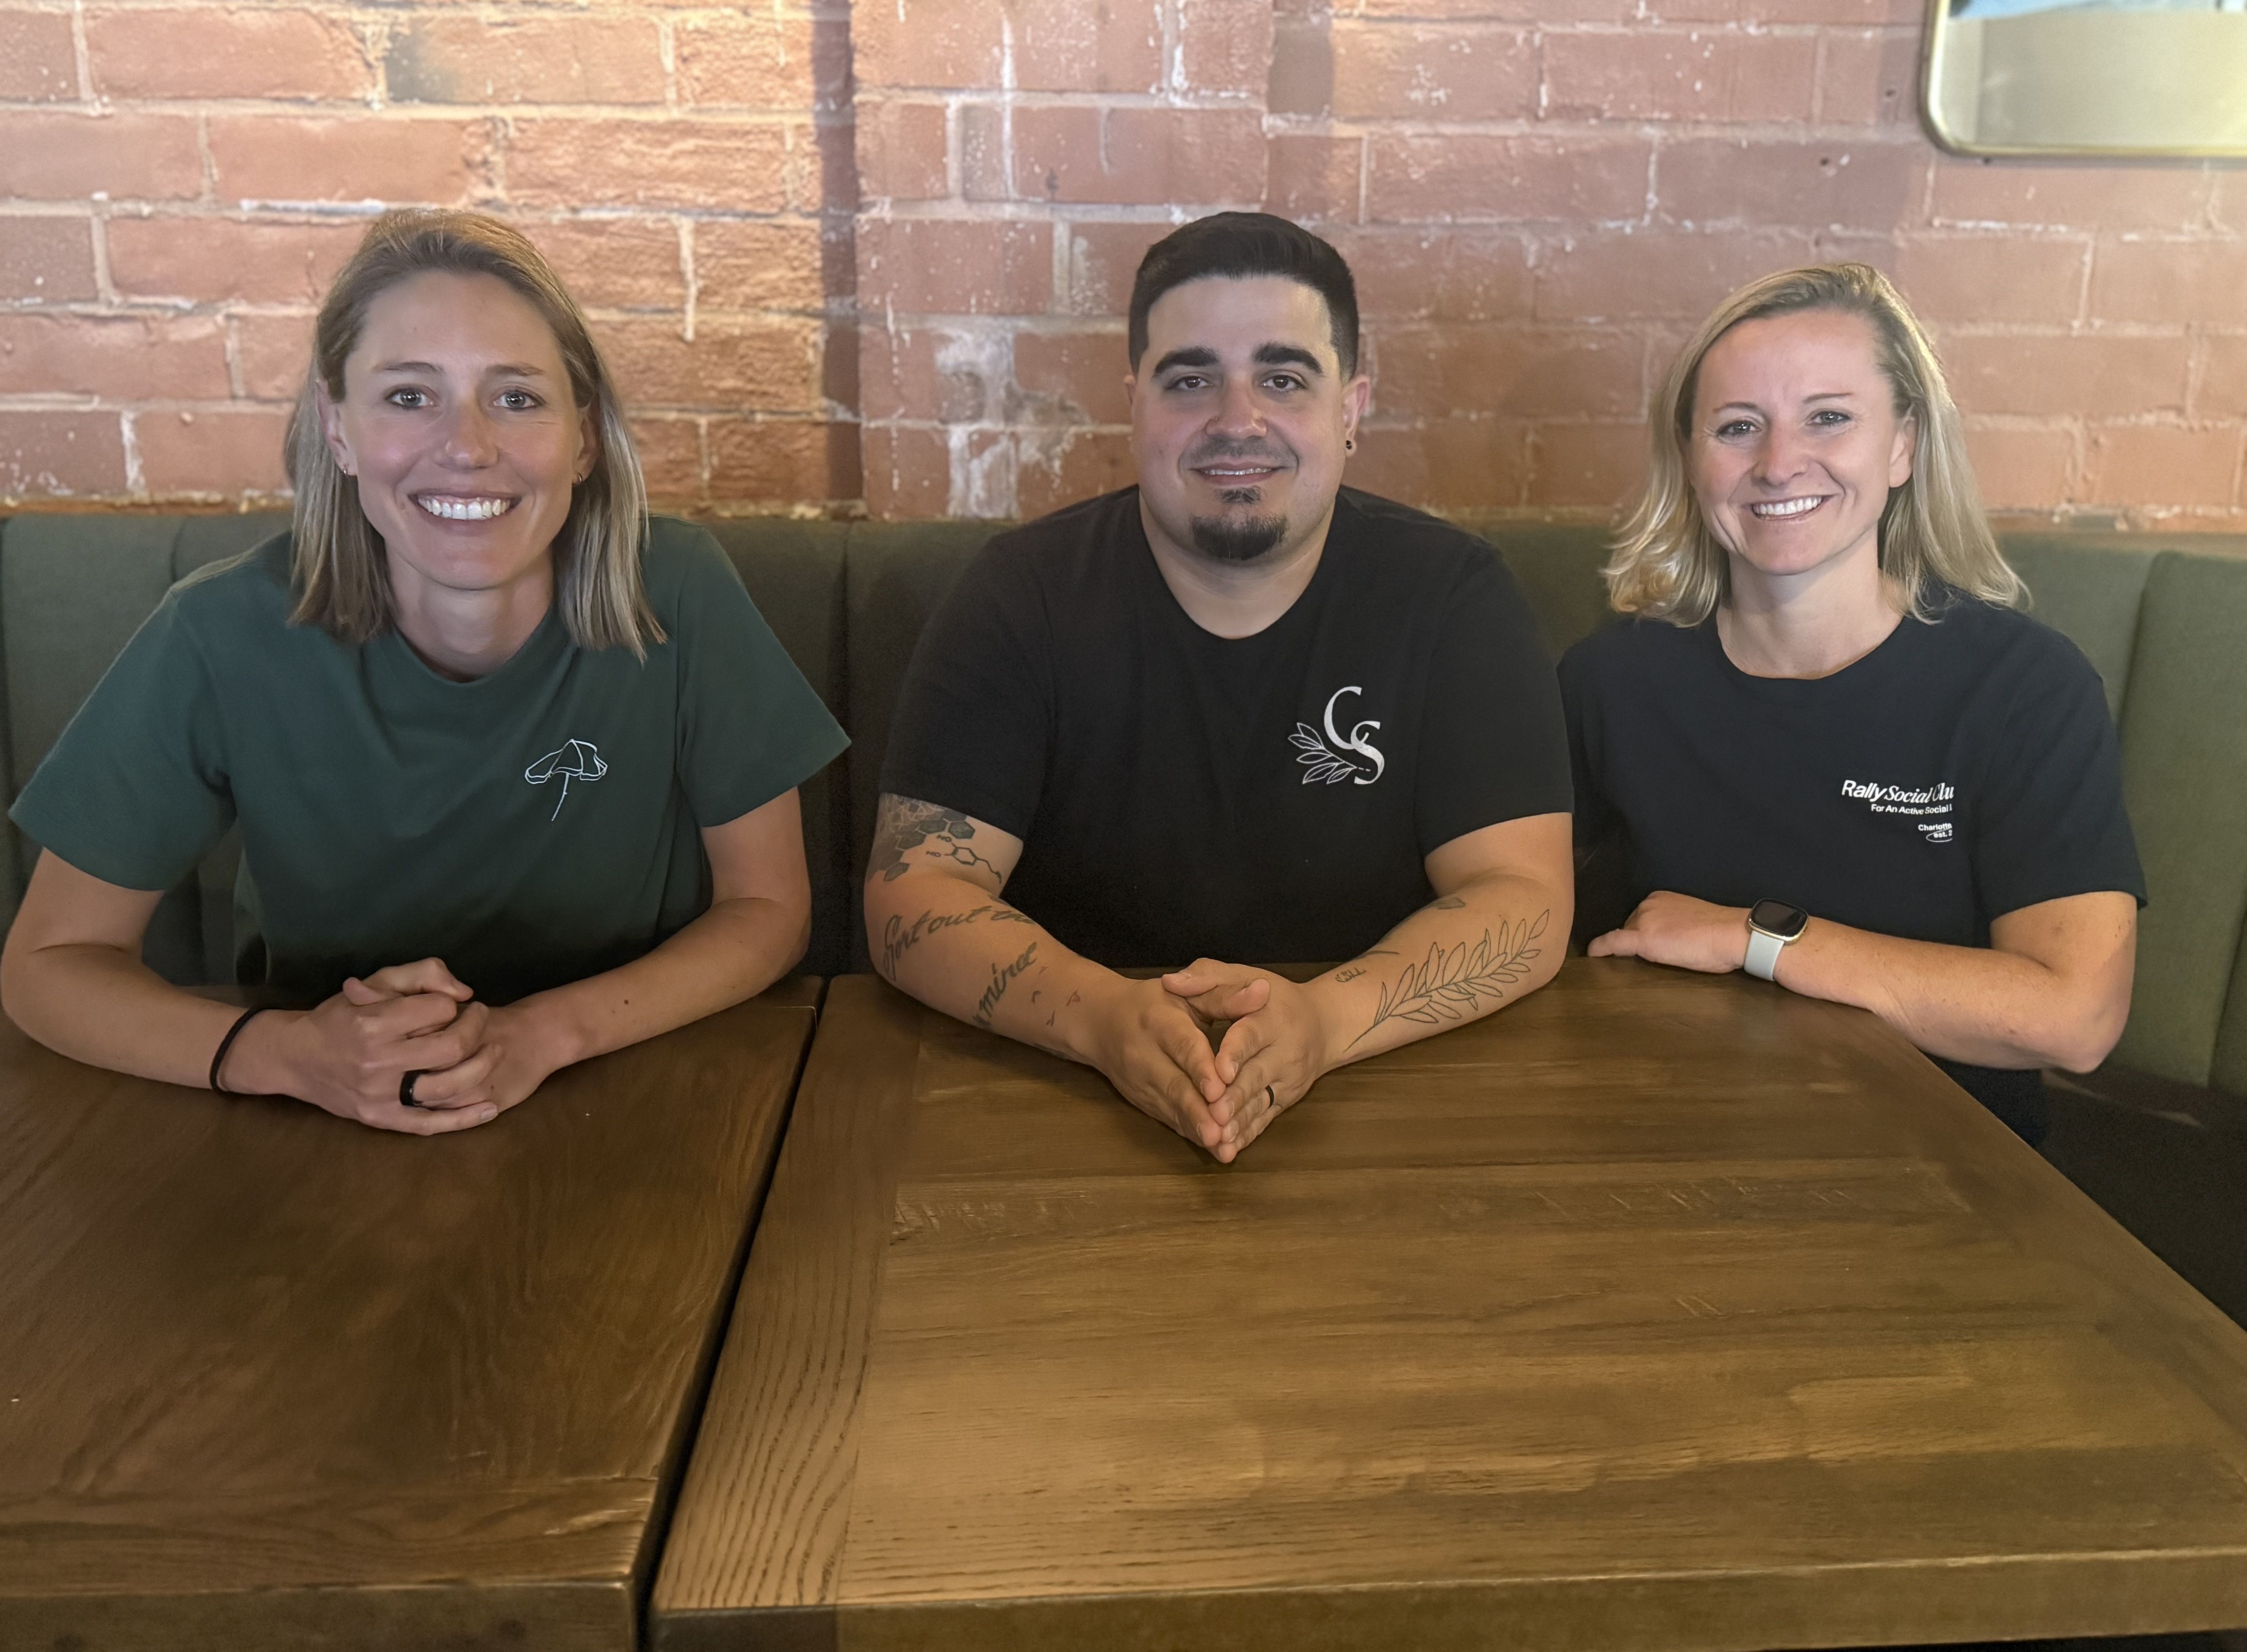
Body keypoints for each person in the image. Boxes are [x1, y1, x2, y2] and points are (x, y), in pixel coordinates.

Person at [1, 209, 846, 1135]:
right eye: (410, 397)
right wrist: (287, 1055)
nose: (468, 445)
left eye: (517, 398)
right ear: (337, 428)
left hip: (639, 1092)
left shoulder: (677, 592)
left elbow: (769, 907)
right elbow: (50, 964)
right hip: (319, 1123)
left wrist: (538, 1035)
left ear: (585, 438)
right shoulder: (218, 633)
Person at [866, 211, 1574, 1163]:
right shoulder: (1020, 595)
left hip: (1388, 1092)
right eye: (1191, 378)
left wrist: (1320, 1026)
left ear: (1352, 408)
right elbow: (914, 894)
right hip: (1061, 1100)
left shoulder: (1453, 598)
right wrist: (1106, 1020)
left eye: (1283, 379)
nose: (1237, 420)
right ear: (1135, 405)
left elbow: (1524, 900)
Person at [1560, 262, 2142, 1145]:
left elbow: (2075, 1016)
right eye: (1737, 427)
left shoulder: (2024, 689)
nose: (1779, 463)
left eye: (1829, 418)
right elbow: (1511, 916)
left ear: (1903, 446)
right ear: (1689, 458)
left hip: (1946, 1179)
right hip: (1661, 1144)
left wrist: (1752, 940)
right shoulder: (1607, 683)